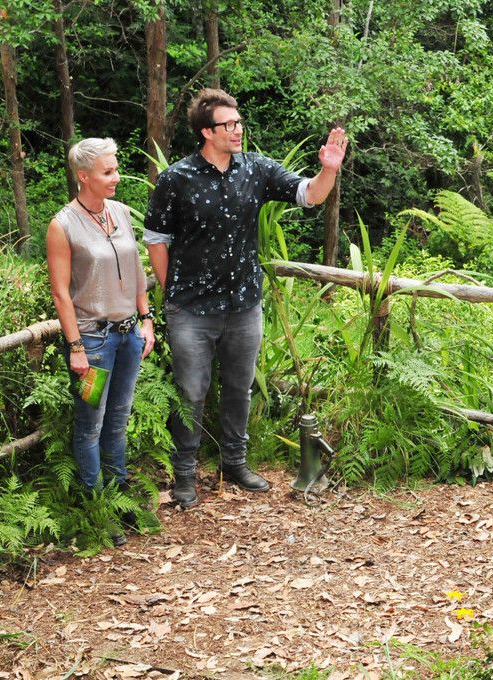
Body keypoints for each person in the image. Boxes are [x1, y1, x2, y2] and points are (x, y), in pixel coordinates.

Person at [143, 88, 348, 508]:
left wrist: (328, 170)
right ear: (206, 131)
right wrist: (171, 293)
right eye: (228, 124)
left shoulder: (255, 169)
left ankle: (234, 463)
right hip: (191, 308)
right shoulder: (176, 179)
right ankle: (184, 474)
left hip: (243, 304)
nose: (238, 130)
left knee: (240, 388)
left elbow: (310, 194)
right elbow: (156, 239)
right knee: (190, 391)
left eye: (238, 123)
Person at [46, 137, 157, 545]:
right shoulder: (62, 225)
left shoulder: (121, 212)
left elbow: (137, 269)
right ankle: (96, 506)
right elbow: (61, 293)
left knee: (119, 419)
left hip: (128, 338)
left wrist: (147, 319)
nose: (116, 177)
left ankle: (119, 496)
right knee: (91, 424)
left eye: (116, 169)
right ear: (83, 176)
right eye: (108, 171)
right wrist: (75, 347)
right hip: (92, 343)